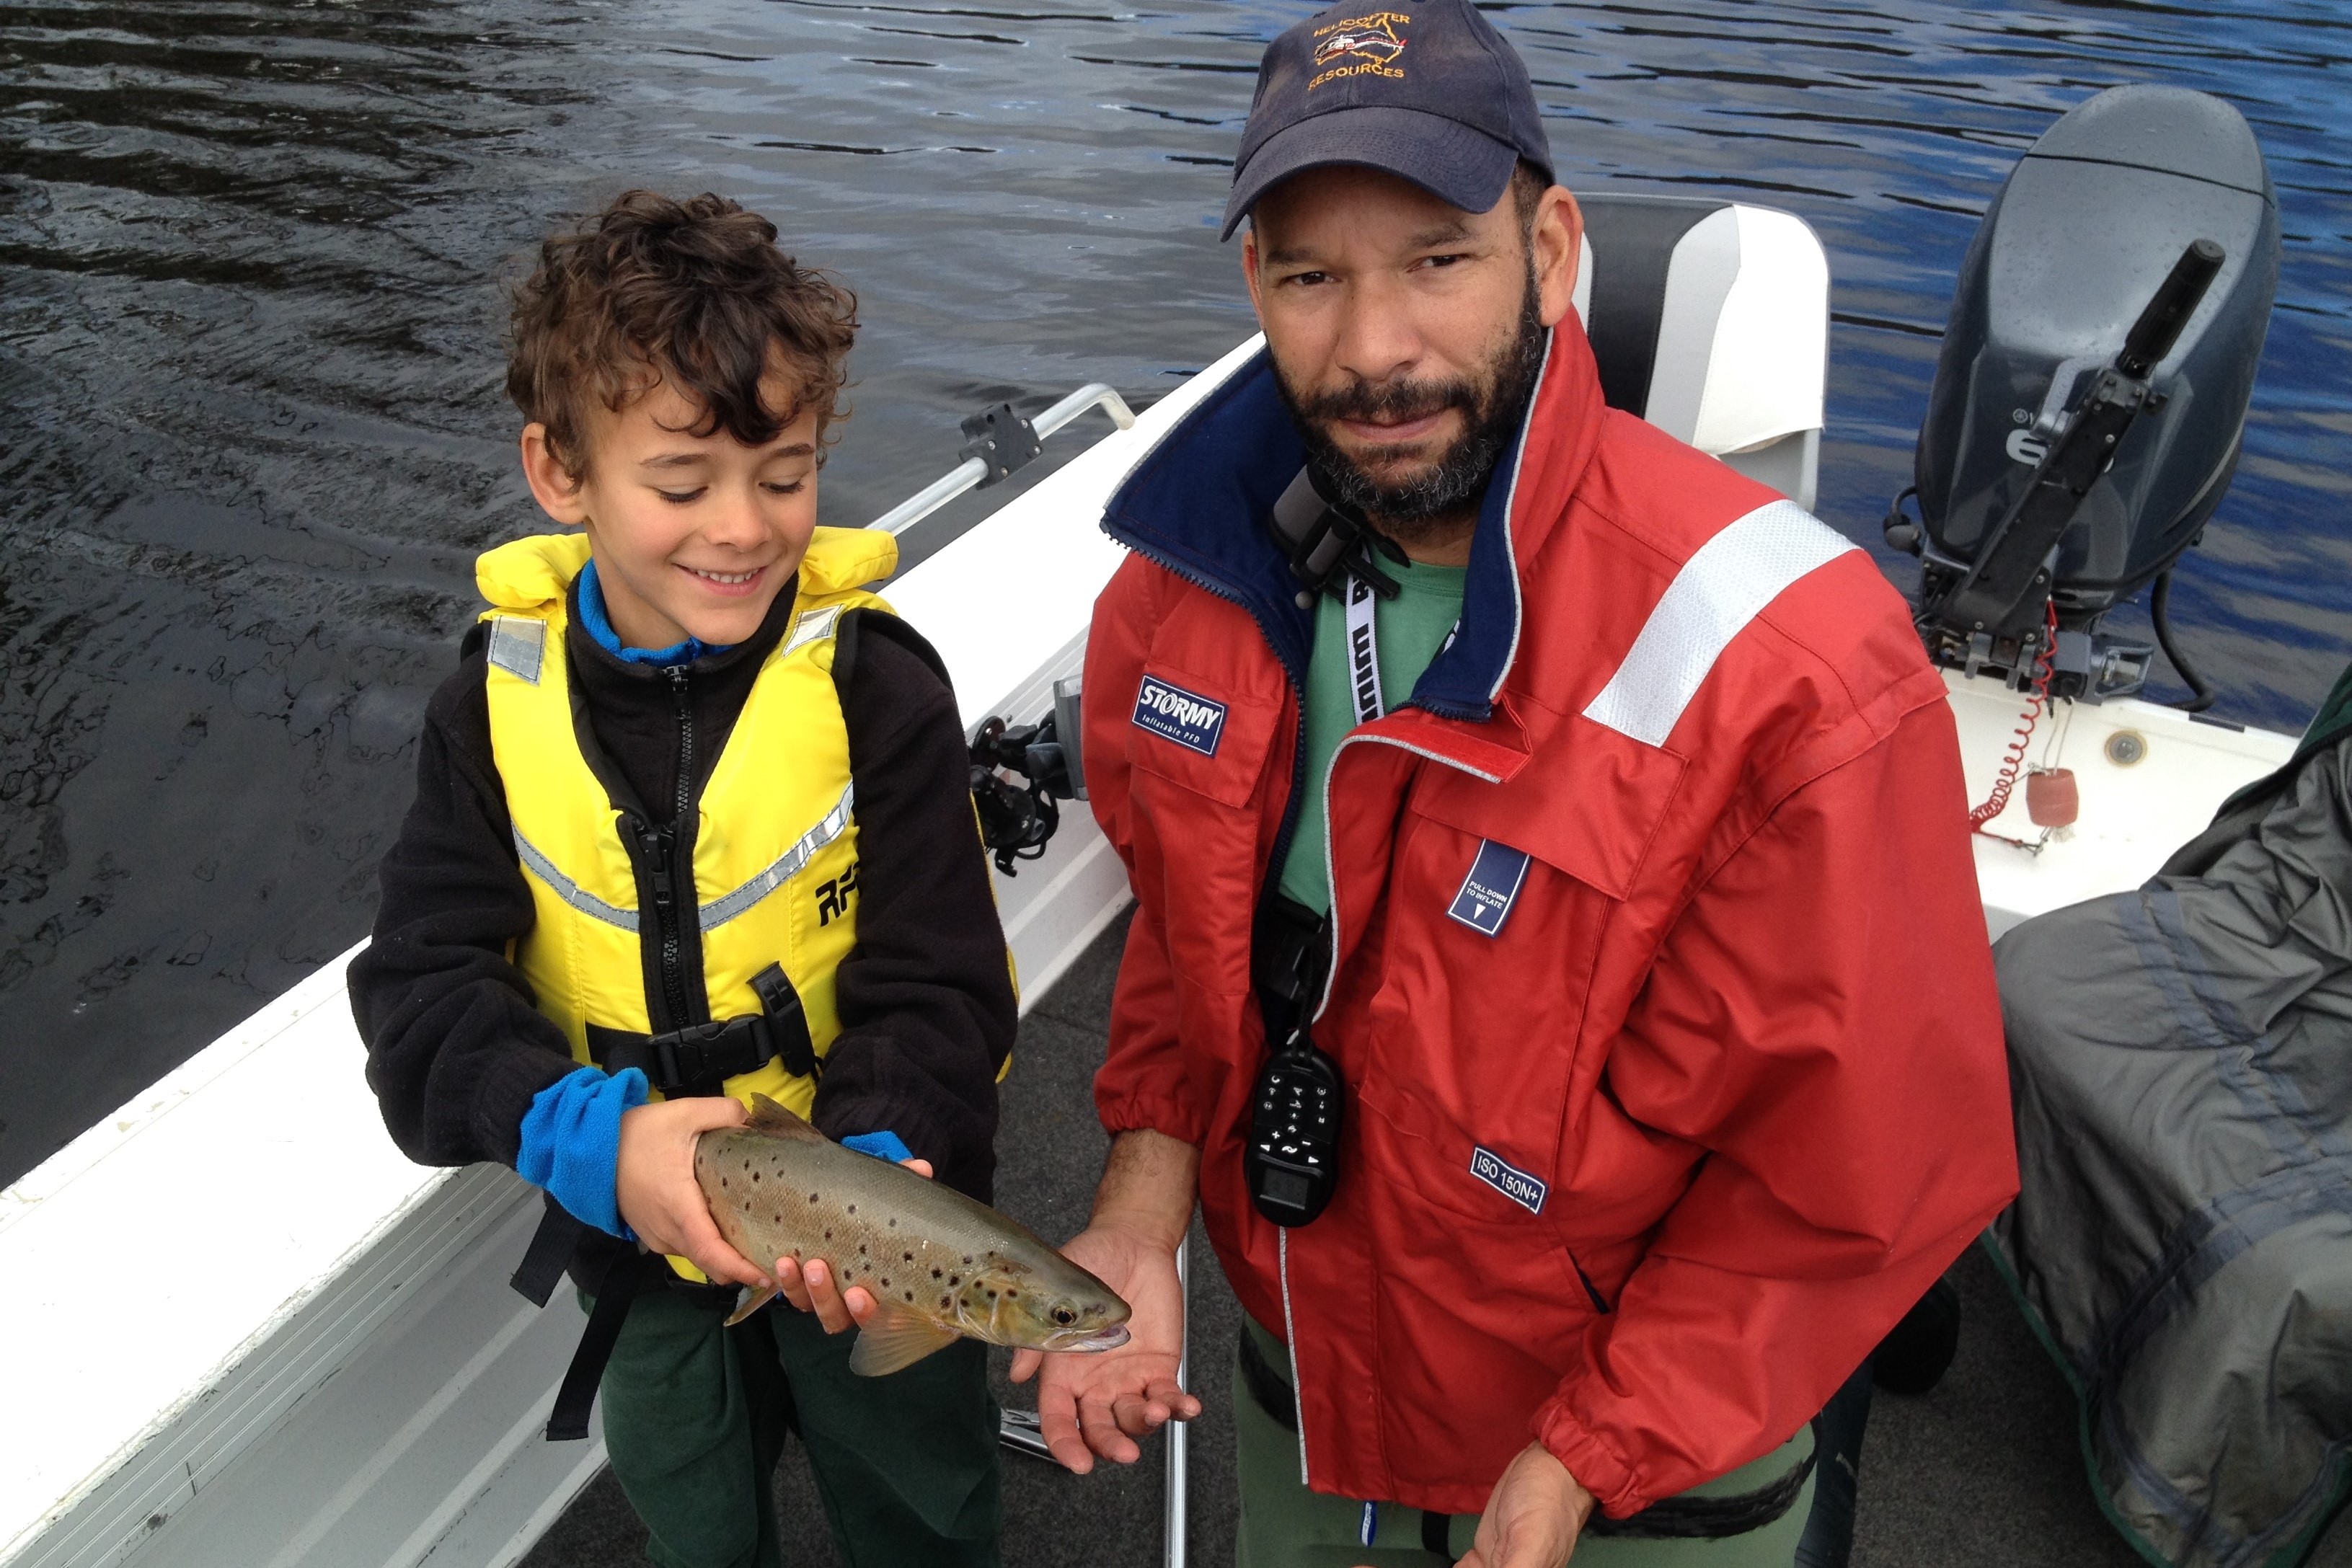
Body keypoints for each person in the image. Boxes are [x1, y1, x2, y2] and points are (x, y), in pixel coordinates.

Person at [1014, 4, 2020, 1565]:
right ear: (1252, 289)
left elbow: (1861, 1166)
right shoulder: (1177, 596)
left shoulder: (1803, 668)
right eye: (1309, 276)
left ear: (1549, 253)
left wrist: (1579, 1455)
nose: (1371, 349)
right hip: (1303, 1399)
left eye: (1434, 258)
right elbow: (1185, 954)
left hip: (1636, 1474)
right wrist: (1136, 1218)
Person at [350, 190, 1017, 1568]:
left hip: (870, 1228)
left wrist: (884, 1158)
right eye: (681, 483)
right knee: (691, 1511)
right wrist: (583, 1140)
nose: (743, 529)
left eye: (784, 475)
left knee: (922, 1498)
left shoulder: (875, 686)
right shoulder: (488, 709)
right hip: (628, 1247)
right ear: (561, 472)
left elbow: (940, 976)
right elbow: (421, 1002)